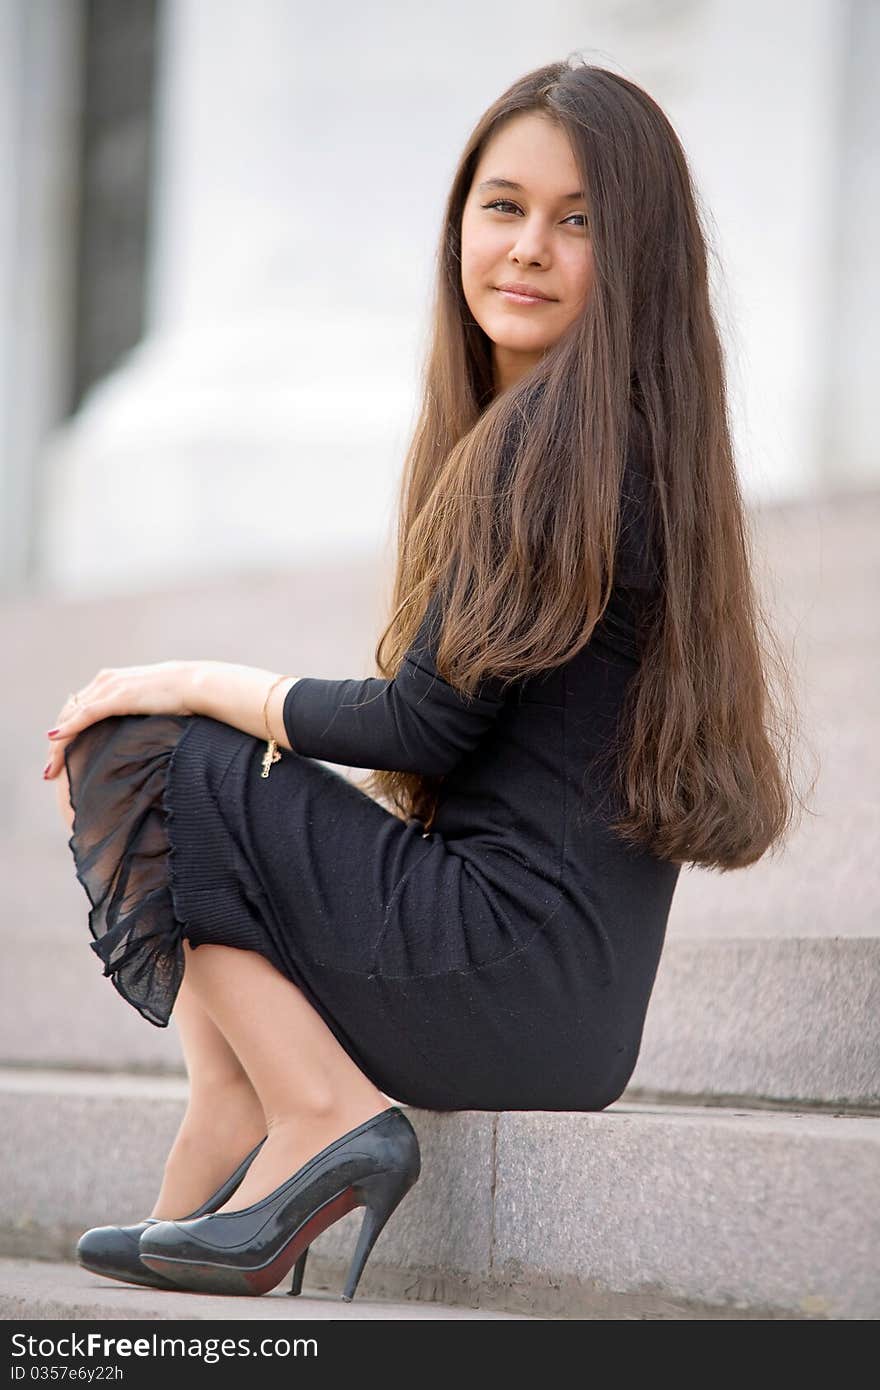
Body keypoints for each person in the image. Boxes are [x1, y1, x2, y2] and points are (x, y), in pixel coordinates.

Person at [45, 58, 804, 1303]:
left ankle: (311, 1113)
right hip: (560, 1001)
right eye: (503, 206)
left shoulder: (551, 444)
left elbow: (417, 725)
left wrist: (184, 674)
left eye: (580, 221)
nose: (530, 248)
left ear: (639, 256)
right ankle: (237, 1102)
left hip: (498, 968)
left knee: (140, 747)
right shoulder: (610, 438)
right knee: (179, 764)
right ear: (459, 218)